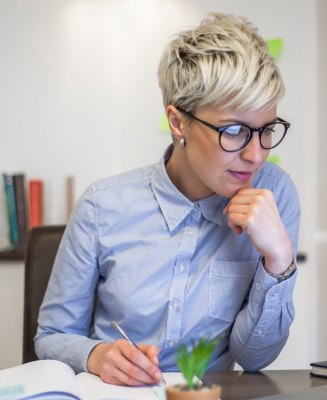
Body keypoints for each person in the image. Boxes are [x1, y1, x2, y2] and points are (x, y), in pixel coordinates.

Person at [35, 12, 300, 387]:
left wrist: (279, 260)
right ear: (178, 122)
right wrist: (95, 355)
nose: (257, 155)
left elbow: (254, 358)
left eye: (267, 130)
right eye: (235, 131)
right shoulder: (101, 206)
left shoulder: (275, 194)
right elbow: (51, 336)